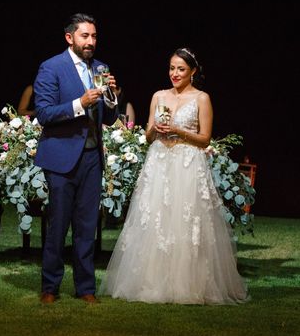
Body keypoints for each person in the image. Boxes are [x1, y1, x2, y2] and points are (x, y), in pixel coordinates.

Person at [100, 48, 249, 304]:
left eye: (181, 69)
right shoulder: (159, 95)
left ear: (192, 71)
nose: (175, 74)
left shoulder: (202, 98)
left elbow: (204, 139)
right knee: (156, 218)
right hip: (160, 161)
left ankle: (187, 283)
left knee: (185, 218)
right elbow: (146, 135)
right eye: (171, 68)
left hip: (188, 163)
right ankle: (152, 280)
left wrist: (179, 130)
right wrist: (154, 130)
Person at [33, 13, 119, 304]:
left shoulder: (101, 68)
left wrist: (111, 98)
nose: (91, 42)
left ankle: (85, 288)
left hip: (92, 157)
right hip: (61, 158)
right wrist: (79, 104)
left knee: (86, 226)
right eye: (85, 36)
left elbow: (108, 117)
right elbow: (44, 113)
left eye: (94, 36)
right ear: (70, 37)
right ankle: (50, 286)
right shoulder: (51, 67)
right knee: (58, 225)